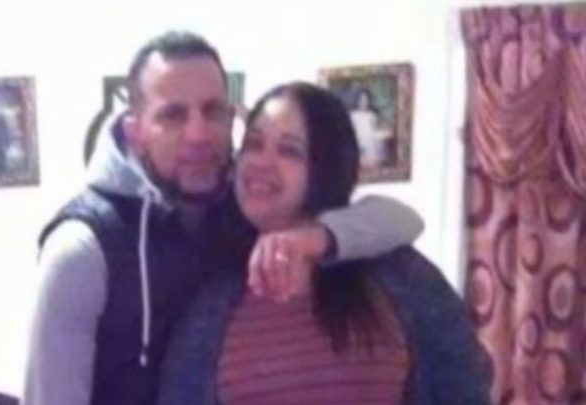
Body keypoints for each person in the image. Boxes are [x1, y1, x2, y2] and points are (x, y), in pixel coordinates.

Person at [23, 32, 424, 405]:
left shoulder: (245, 203)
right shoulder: (82, 250)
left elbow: (401, 219)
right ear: (135, 132)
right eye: (173, 115)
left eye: (213, 111)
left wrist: (318, 237)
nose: (199, 134)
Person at [157, 82, 490, 405]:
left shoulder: (397, 272)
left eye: (289, 150)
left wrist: (317, 239)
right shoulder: (213, 291)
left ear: (326, 167)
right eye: (253, 144)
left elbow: (463, 386)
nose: (261, 162)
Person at [349, 88, 391, 167]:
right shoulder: (353, 115)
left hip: (371, 145)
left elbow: (374, 130)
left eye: (366, 100)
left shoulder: (372, 115)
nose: (364, 102)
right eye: (361, 100)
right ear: (357, 100)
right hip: (358, 144)